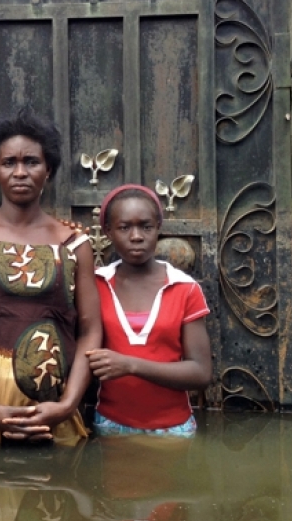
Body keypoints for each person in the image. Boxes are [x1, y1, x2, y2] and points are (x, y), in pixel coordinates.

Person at [0, 109, 101, 445]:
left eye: (31, 161)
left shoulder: (75, 244)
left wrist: (67, 404)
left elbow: (91, 332)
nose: (20, 172)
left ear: (48, 170)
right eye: (9, 163)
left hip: (57, 419)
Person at [86, 185, 212, 437]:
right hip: (109, 425)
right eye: (124, 227)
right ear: (108, 232)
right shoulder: (95, 285)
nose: (136, 236)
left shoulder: (185, 288)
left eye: (146, 226)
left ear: (158, 228)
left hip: (174, 430)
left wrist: (131, 365)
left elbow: (201, 372)